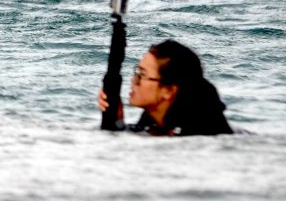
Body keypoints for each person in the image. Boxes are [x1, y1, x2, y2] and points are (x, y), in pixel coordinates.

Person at [97, 39, 233, 136]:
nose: (133, 80)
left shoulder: (200, 133)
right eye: (136, 72)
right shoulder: (152, 119)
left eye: (141, 75)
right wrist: (118, 121)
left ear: (168, 91)